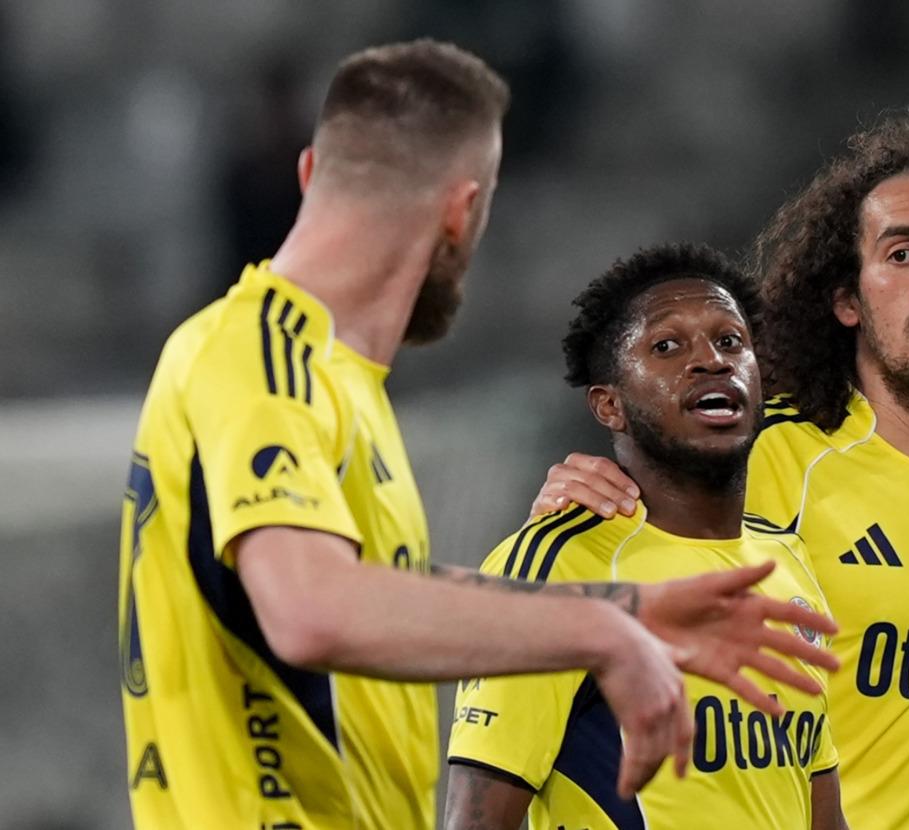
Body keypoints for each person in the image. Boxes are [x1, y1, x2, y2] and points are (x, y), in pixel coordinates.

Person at [116, 41, 838, 830]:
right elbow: (310, 607)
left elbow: (368, 599)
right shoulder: (262, 350)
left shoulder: (333, 386)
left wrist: (622, 608)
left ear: (308, 173)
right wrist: (603, 625)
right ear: (462, 213)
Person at [531, 112, 909, 830]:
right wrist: (569, 514)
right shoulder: (767, 456)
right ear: (847, 300)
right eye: (902, 253)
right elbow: (582, 616)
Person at [445, 244, 848, 830]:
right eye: (666, 346)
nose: (711, 360)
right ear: (610, 406)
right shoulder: (557, 567)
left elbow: (822, 815)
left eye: (730, 340)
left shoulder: (787, 558)